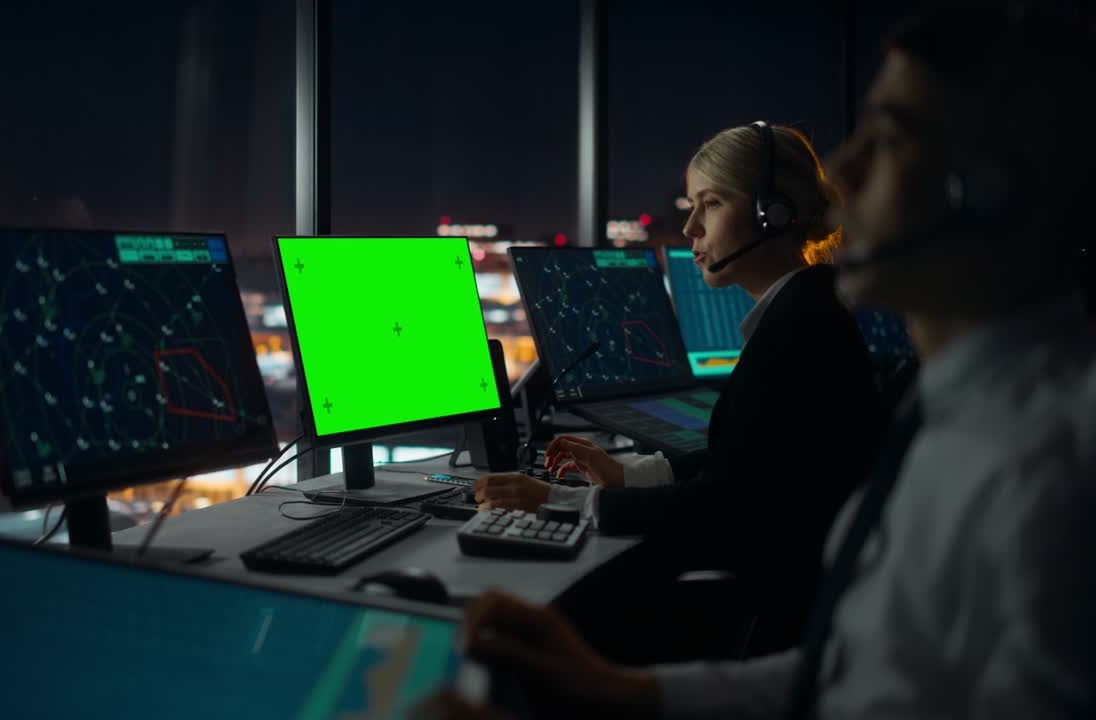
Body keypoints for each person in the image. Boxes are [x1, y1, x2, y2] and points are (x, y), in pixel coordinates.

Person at [422, 5, 1096, 718]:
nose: (841, 171)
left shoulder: (1046, 471)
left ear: (992, 194)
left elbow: (739, 510)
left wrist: (573, 505)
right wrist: (620, 692)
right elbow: (858, 673)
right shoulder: (958, 418)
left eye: (891, 141)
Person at [476, 123, 881, 650]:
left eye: (709, 205)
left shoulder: (800, 334)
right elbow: (753, 467)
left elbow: (724, 511)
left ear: (774, 212)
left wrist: (561, 502)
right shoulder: (806, 313)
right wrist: (630, 473)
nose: (689, 227)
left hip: (769, 622)